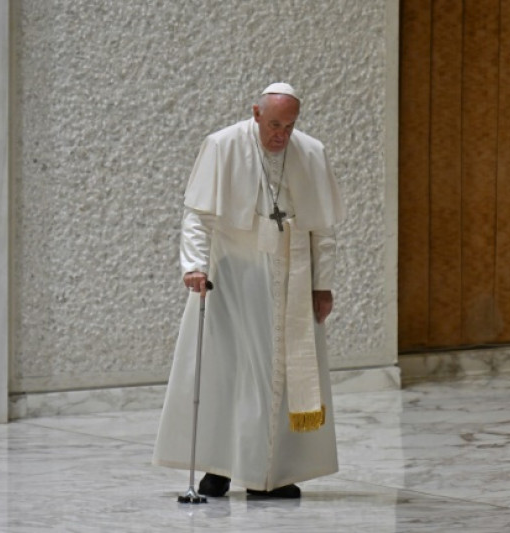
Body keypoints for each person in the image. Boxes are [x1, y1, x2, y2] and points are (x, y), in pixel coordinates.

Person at [152, 83, 346, 499]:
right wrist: (194, 266)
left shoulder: (310, 152)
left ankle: (269, 474)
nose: (281, 135)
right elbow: (198, 215)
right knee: (227, 372)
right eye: (274, 124)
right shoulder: (222, 145)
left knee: (282, 376)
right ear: (256, 113)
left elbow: (322, 228)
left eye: (290, 126)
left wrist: (322, 284)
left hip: (292, 278)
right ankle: (218, 469)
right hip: (234, 278)